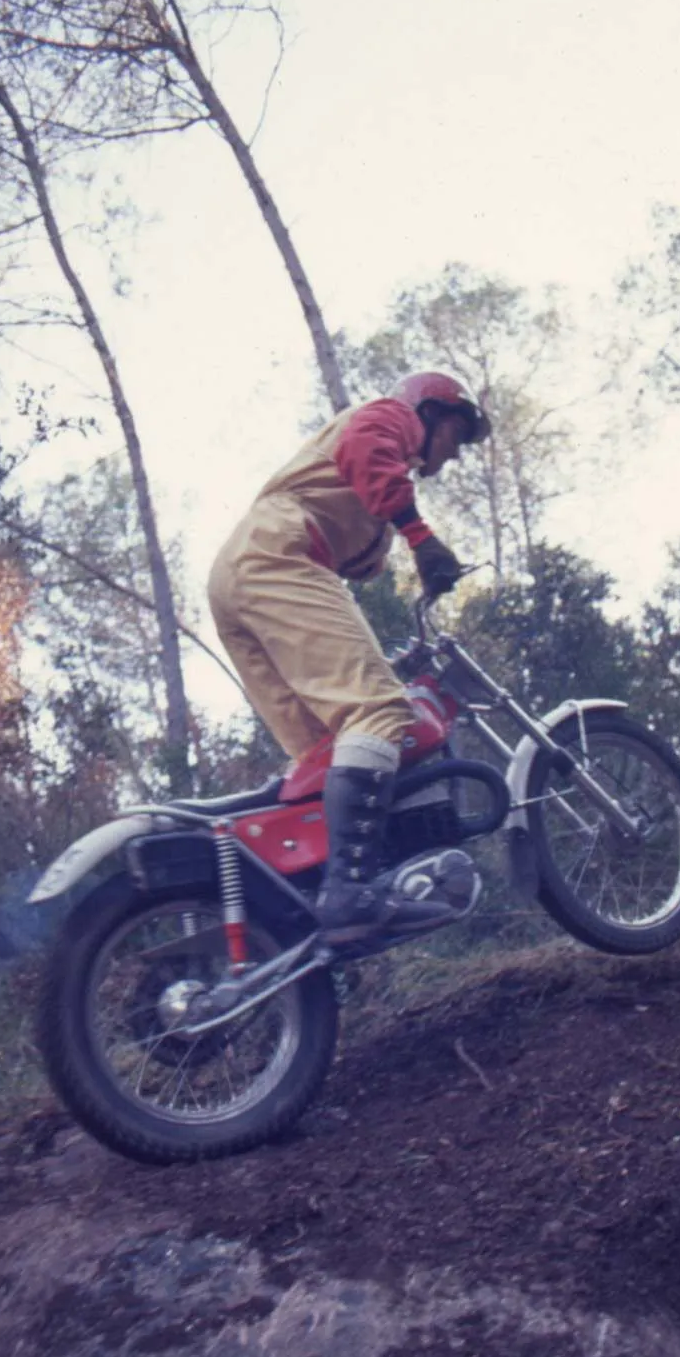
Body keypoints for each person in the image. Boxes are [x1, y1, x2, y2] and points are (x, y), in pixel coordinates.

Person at [207, 370, 491, 944]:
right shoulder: (391, 417)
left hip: (239, 577)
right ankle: (349, 893)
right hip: (280, 555)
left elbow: (353, 568)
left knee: (329, 753)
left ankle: (308, 916)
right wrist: (421, 539)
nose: (456, 452)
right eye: (457, 434)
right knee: (381, 712)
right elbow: (369, 448)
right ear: (430, 411)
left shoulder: (366, 500)